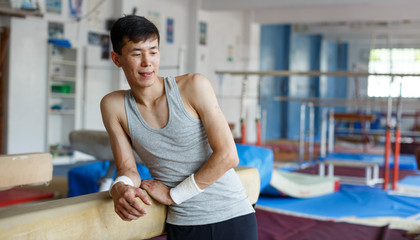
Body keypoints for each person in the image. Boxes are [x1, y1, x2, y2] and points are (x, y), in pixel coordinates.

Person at [100, 15, 257, 240]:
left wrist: (174, 195)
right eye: (136, 53)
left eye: (153, 51)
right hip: (184, 224)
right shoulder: (113, 106)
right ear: (117, 59)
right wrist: (120, 189)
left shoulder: (194, 86)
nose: (147, 62)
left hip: (232, 215)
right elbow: (127, 168)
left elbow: (228, 156)